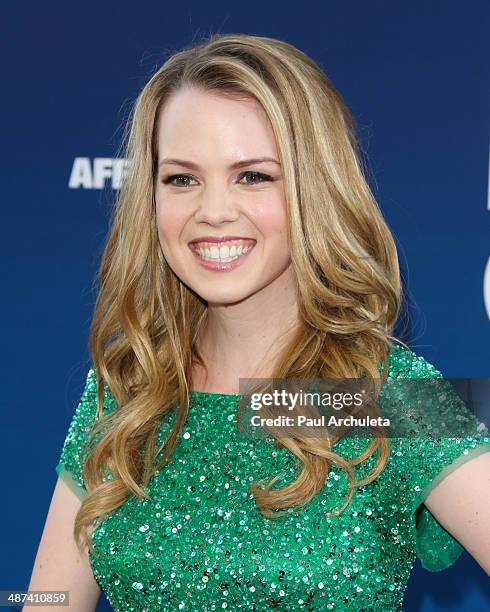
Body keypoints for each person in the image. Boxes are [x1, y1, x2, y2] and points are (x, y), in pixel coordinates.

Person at [26, 33, 490, 611]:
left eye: (253, 176)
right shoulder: (128, 390)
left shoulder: (383, 396)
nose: (213, 211)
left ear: (313, 189)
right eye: (181, 178)